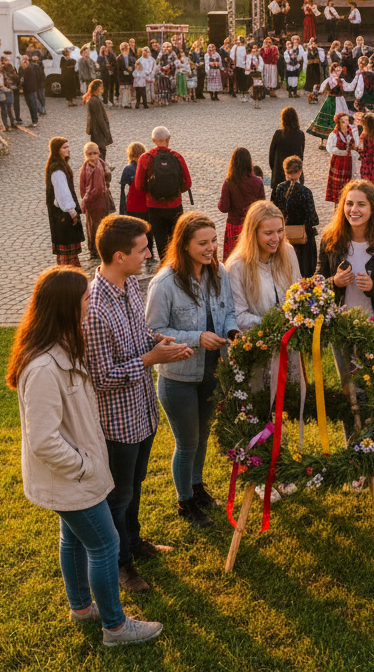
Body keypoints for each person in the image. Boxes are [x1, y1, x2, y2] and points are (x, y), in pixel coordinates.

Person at [7, 267, 164, 646]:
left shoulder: (62, 345)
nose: (88, 303)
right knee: (106, 543)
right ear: (65, 306)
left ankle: (81, 608)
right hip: (72, 476)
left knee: (73, 539)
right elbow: (44, 440)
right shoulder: (44, 366)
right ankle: (115, 626)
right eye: (83, 299)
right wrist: (83, 466)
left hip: (74, 475)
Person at [85, 215, 193, 593]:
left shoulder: (129, 285)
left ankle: (133, 541)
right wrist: (151, 360)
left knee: (135, 485)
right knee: (118, 496)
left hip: (141, 413)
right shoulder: (94, 309)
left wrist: (161, 342)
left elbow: (140, 333)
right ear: (119, 256)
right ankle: (120, 564)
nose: (150, 254)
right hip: (117, 423)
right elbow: (101, 377)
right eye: (143, 249)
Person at [144, 211, 238, 527]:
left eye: (214, 241)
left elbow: (229, 314)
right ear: (184, 244)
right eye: (203, 243)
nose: (211, 248)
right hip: (179, 377)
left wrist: (233, 332)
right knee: (186, 443)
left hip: (212, 372)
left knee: (201, 436)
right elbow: (154, 331)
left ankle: (197, 488)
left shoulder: (220, 273)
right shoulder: (164, 283)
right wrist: (197, 337)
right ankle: (185, 503)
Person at [318, 179, 374, 337]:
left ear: (373, 208)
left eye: (361, 204)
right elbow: (317, 282)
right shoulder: (330, 239)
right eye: (349, 203)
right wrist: (334, 282)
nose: (354, 210)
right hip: (339, 325)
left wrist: (373, 287)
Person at [225, 201, 302, 337]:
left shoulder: (288, 251)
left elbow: (298, 290)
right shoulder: (237, 267)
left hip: (291, 340)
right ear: (253, 234)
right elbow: (238, 315)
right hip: (258, 343)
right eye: (268, 233)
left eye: (280, 231)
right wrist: (276, 323)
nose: (276, 238)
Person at [133, 127, 192, 262]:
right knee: (176, 237)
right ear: (168, 140)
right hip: (175, 205)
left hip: (154, 206)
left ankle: (165, 265)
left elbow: (139, 185)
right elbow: (187, 183)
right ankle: (178, 264)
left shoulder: (145, 158)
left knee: (160, 239)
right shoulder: (177, 157)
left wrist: (153, 192)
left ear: (154, 141)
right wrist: (175, 192)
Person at [271, 155, 319, 276]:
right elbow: (312, 218)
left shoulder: (279, 188)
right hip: (301, 240)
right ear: (300, 171)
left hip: (284, 234)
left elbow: (275, 211)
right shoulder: (305, 192)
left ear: (284, 170)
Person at [218, 147, 265, 260]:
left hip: (234, 225)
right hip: (251, 224)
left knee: (232, 258)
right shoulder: (258, 181)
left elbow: (223, 208)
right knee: (250, 257)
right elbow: (262, 206)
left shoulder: (229, 182)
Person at [46, 137, 85, 267]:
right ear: (57, 150)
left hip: (62, 214)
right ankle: (68, 277)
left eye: (68, 147)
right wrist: (72, 211)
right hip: (62, 215)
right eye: (64, 147)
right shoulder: (57, 169)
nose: (68, 150)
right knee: (66, 250)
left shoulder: (61, 165)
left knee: (69, 250)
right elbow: (62, 193)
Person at [119, 142, 157, 263]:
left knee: (134, 232)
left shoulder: (128, 169)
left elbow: (123, 190)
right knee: (148, 231)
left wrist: (122, 210)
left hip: (132, 206)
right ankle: (149, 255)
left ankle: (135, 256)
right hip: (146, 205)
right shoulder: (149, 167)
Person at [80, 142, 112, 261]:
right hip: (92, 201)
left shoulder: (100, 165)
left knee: (99, 225)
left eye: (95, 153)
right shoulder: (86, 167)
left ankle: (98, 248)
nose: (93, 156)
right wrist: (86, 198)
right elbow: (82, 185)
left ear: (98, 153)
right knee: (92, 226)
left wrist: (87, 199)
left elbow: (105, 179)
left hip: (99, 200)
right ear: (86, 155)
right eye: (90, 154)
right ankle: (93, 249)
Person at [308, 62, 348, 144]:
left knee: (339, 120)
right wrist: (316, 91)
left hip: (339, 101)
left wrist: (357, 78)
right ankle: (324, 142)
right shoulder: (329, 80)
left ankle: (337, 140)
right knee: (326, 121)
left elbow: (349, 87)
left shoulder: (341, 81)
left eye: (339, 70)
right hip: (330, 102)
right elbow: (321, 90)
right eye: (337, 70)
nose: (338, 72)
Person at [268, 106, 306, 193]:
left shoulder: (278, 134)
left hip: (278, 174)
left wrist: (275, 169)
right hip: (295, 172)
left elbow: (271, 156)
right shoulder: (300, 135)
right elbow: (301, 154)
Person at [326, 112, 360, 203]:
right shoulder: (334, 134)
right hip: (339, 162)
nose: (346, 123)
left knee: (349, 183)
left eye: (347, 120)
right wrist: (345, 152)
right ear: (338, 123)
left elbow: (355, 144)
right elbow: (330, 148)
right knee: (338, 185)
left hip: (349, 162)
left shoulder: (351, 132)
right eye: (343, 121)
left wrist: (355, 149)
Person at [84, 80, 113, 161]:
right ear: (96, 88)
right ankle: (101, 167)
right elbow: (99, 118)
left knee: (101, 149)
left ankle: (102, 166)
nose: (102, 89)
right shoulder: (94, 100)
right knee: (100, 149)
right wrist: (106, 132)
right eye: (100, 87)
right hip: (97, 129)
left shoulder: (95, 99)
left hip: (97, 129)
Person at [20, 55, 42, 127]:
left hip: (31, 89)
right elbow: (20, 78)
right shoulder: (21, 69)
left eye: (26, 60)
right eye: (23, 60)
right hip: (26, 90)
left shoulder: (31, 68)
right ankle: (33, 120)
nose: (25, 62)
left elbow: (36, 77)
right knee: (29, 105)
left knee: (33, 105)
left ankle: (35, 120)